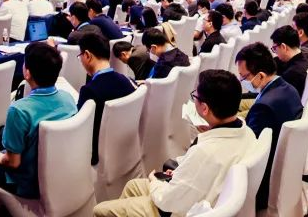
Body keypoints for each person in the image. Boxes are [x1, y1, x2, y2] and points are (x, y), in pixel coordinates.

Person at [94, 69, 257, 217]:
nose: (194, 100)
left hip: (178, 209)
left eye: (195, 97)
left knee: (100, 210)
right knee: (132, 186)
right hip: (201, 196)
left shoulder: (205, 152)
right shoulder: (247, 131)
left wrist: (154, 182)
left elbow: (167, 200)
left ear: (205, 108)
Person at [0, 42, 77, 216]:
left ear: (27, 73)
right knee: (2, 135)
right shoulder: (68, 99)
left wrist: (1, 159)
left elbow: (14, 163)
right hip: (59, 172)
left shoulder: (19, 110)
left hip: (28, 183)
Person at [236, 43, 303, 210]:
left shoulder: (264, 107)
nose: (242, 81)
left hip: (262, 181)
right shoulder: (287, 88)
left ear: (260, 75)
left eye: (244, 77)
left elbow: (249, 145)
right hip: (283, 167)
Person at [76, 32, 136, 164]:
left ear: (87, 55)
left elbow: (80, 131)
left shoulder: (89, 91)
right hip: (126, 150)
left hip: (97, 157)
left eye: (80, 56)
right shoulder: (126, 81)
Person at [271, 25, 308, 97]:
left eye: (275, 48)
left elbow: (276, 97)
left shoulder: (292, 73)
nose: (275, 52)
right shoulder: (306, 61)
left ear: (283, 47)